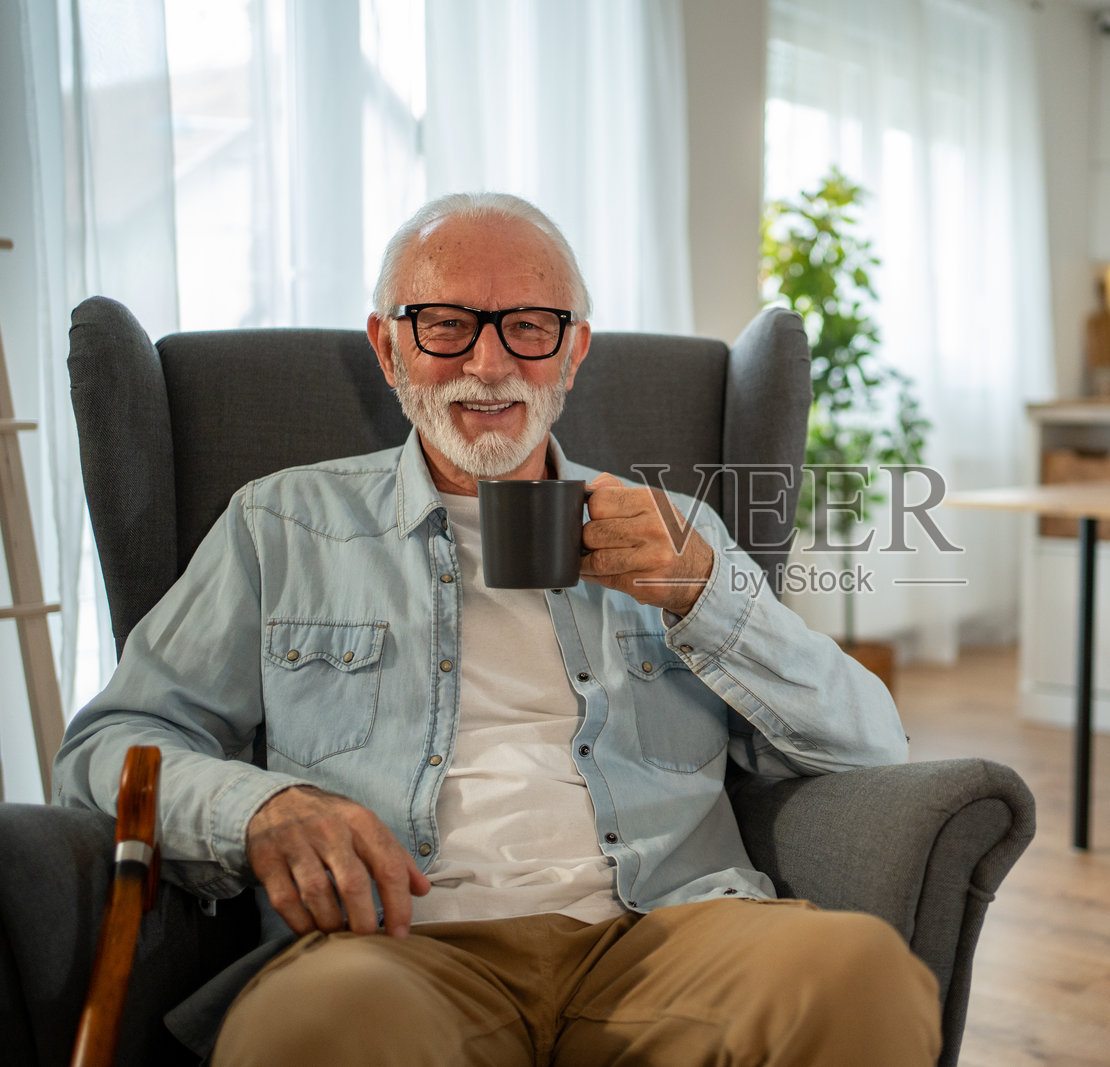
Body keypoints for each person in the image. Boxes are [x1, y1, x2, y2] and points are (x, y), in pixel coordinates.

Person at [53, 192, 941, 1066]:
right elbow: (110, 743)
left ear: (573, 351)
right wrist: (260, 808)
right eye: (444, 324)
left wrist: (708, 595)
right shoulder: (281, 524)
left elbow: (871, 745)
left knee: (862, 972)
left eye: (529, 326)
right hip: (396, 949)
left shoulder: (677, 529)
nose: (488, 363)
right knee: (311, 1028)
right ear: (388, 345)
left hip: (667, 932)